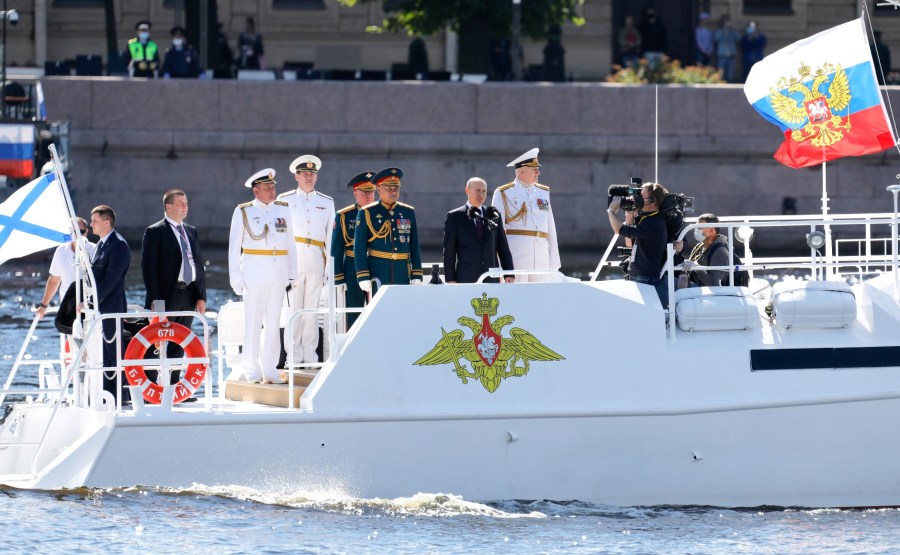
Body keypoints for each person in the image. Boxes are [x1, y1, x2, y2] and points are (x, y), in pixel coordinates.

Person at [228, 169, 297, 383]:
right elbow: (234, 248)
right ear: (256, 190)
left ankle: (270, 369)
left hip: (277, 275)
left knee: (274, 324)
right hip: (254, 276)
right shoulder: (243, 211)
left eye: (273, 187)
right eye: (267, 188)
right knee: (253, 324)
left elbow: (291, 244)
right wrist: (236, 279)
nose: (272, 191)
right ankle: (251, 369)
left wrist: (292, 274)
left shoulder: (283, 210)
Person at [140, 189, 207, 372]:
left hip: (188, 294)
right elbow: (149, 269)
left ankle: (174, 386)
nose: (185, 207)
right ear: (168, 206)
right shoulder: (155, 231)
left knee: (179, 344)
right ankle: (153, 387)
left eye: (186, 203)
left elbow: (198, 265)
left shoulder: (191, 231)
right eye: (180, 203)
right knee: (158, 344)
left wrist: (201, 296)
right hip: (166, 296)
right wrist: (156, 300)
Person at [277, 155, 335, 366]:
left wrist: (329, 266)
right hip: (295, 261)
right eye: (304, 174)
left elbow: (330, 237)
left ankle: (310, 358)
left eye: (312, 174)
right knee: (294, 312)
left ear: (316, 177)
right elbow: (280, 234)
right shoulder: (285, 199)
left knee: (311, 312)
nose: (309, 177)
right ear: (296, 176)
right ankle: (293, 357)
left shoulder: (326, 202)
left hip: (317, 261)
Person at [491, 148, 560, 282]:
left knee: (540, 296)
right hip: (516, 257)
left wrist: (554, 259)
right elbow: (496, 232)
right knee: (516, 296)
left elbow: (550, 226)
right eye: (534, 168)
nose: (538, 172)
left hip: (541, 257)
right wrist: (499, 263)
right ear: (521, 170)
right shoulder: (503, 193)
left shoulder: (543, 192)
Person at [353, 167, 423, 295]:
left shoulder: (408, 211)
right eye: (389, 188)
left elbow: (414, 245)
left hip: (402, 271)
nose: (393, 191)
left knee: (402, 309)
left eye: (396, 188)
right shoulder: (367, 212)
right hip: (378, 271)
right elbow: (359, 247)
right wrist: (362, 275)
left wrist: (417, 272)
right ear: (378, 189)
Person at [89, 205, 131, 397]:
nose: (91, 225)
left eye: (95, 221)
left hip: (111, 308)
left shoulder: (118, 245)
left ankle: (118, 395)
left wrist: (92, 302)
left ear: (107, 222)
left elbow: (111, 280)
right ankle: (105, 392)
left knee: (113, 353)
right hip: (100, 309)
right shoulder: (100, 245)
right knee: (102, 353)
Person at [607, 183, 669, 307]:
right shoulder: (645, 219)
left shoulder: (653, 222)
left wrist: (611, 210)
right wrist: (630, 215)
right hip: (638, 276)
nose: (637, 199)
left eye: (641, 196)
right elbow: (629, 243)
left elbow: (618, 229)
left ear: (652, 200)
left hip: (646, 279)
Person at [443, 177, 514, 284]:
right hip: (466, 278)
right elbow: (449, 252)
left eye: (483, 191)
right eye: (477, 191)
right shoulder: (454, 217)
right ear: (467, 190)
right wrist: (451, 279)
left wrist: (509, 273)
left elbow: (503, 247)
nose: (481, 194)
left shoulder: (494, 215)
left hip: (492, 277)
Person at [330, 171, 376, 329]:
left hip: (377, 265)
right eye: (365, 191)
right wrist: (338, 277)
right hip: (353, 269)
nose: (369, 195)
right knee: (353, 314)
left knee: (377, 311)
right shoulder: (344, 215)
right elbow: (336, 249)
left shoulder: (381, 213)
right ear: (355, 193)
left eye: (372, 191)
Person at [36, 218, 95, 319]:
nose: (78, 235)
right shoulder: (61, 250)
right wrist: (43, 305)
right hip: (67, 307)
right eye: (74, 232)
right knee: (70, 334)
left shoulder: (95, 250)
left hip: (90, 307)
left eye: (81, 231)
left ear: (86, 231)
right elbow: (54, 280)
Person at [678, 213, 731, 289]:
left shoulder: (720, 251)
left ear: (711, 230)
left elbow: (715, 284)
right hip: (693, 285)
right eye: (696, 227)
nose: (696, 230)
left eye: (699, 228)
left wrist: (697, 267)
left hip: (706, 292)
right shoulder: (699, 247)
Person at [715, 15, 740, 83]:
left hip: (731, 55)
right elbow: (716, 39)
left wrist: (732, 30)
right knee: (721, 73)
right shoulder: (719, 31)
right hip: (722, 55)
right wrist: (724, 31)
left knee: (730, 74)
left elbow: (738, 38)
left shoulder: (732, 31)